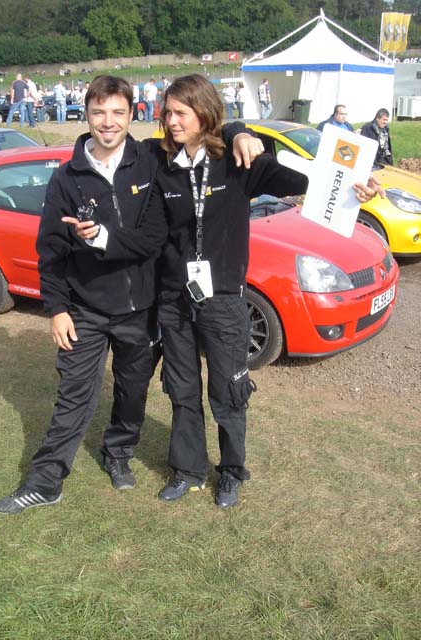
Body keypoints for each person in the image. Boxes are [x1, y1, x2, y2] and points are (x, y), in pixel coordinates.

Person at [75, 74, 385, 509]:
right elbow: (112, 148)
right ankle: (188, 470)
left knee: (229, 390)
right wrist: (101, 236)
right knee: (182, 389)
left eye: (181, 113)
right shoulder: (160, 160)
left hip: (223, 302)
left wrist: (355, 187)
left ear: (204, 114)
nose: (171, 121)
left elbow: (303, 180)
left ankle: (231, 472)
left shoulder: (237, 162)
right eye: (167, 113)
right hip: (174, 300)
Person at [0, 75, 260, 515]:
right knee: (74, 395)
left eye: (118, 112)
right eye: (98, 112)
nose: (108, 122)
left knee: (132, 392)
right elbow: (50, 251)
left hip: (143, 309)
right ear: (86, 115)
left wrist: (239, 132)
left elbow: (201, 131)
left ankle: (117, 453)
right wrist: (57, 308)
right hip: (86, 309)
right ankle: (45, 482)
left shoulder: (151, 158)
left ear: (132, 114)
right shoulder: (67, 178)